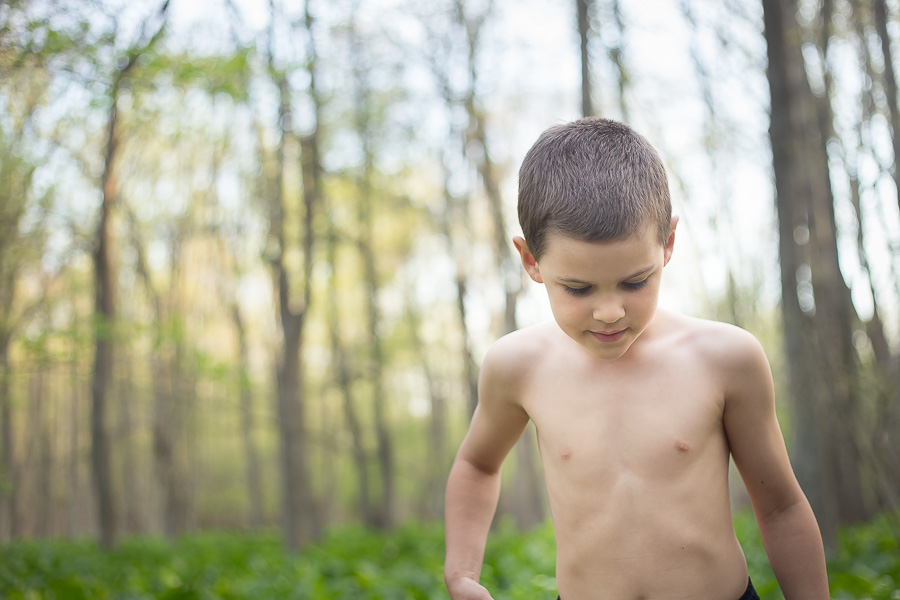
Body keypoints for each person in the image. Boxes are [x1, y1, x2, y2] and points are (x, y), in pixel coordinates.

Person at [443, 118, 829, 600]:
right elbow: (478, 465)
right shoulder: (517, 367)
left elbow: (780, 507)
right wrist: (461, 573)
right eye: (578, 288)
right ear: (531, 261)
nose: (610, 312)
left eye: (635, 281)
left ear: (668, 243)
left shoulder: (725, 359)